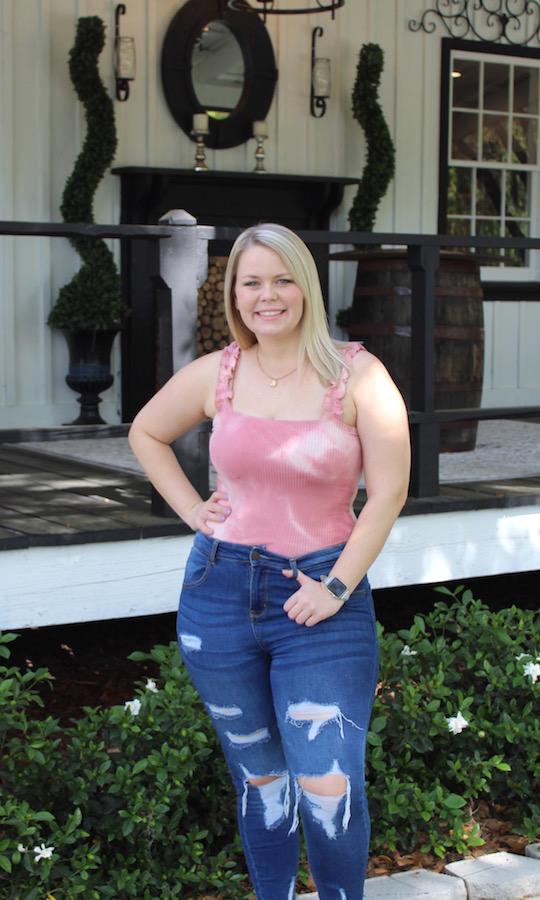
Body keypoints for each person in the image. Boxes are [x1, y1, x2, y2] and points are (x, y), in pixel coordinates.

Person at [128, 223, 410, 900]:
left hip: (320, 598)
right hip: (218, 593)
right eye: (251, 282)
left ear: (305, 287)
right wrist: (195, 511)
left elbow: (390, 491)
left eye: (282, 278)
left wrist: (337, 586)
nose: (267, 295)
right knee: (261, 780)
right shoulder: (219, 373)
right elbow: (146, 431)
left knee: (328, 781)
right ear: (233, 295)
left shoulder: (358, 374)